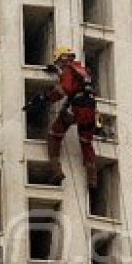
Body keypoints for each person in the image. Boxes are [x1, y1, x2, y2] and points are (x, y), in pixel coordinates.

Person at [41, 46, 98, 189]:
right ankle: (92, 179)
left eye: (58, 62)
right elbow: (78, 85)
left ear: (63, 58)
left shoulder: (68, 70)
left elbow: (64, 89)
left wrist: (48, 96)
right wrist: (58, 72)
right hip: (90, 109)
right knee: (86, 142)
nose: (58, 65)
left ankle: (57, 171)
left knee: (55, 134)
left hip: (76, 109)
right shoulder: (84, 71)